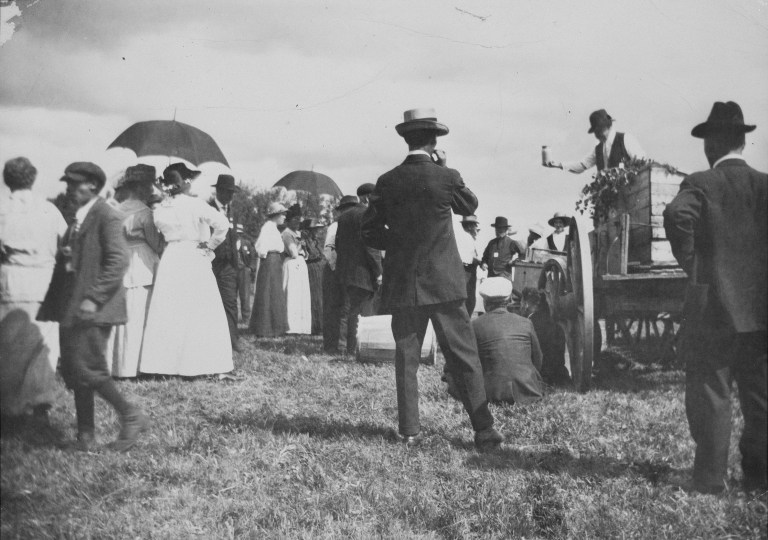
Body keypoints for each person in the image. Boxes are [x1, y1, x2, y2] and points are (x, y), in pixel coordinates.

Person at [361, 107, 502, 450]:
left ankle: (409, 431)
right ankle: (484, 430)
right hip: (445, 284)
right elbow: (470, 205)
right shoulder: (447, 177)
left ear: (406, 140)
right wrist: (444, 166)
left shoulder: (387, 181)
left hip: (404, 285)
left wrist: (398, 243)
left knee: (406, 360)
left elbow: (370, 232)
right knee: (464, 356)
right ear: (434, 141)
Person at [663, 101, 767, 494]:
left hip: (715, 312)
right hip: (762, 312)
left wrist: (696, 265)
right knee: (762, 397)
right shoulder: (765, 184)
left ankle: (710, 479)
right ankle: (760, 477)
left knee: (712, 394)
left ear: (711, 145)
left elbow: (677, 215)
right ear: (742, 141)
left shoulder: (701, 182)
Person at [39, 162, 147, 452]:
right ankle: (85, 436)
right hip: (74, 306)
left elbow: (118, 260)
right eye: (68, 184)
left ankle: (130, 414)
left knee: (88, 368)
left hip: (95, 307)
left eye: (75, 184)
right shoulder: (78, 218)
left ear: (93, 186)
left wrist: (94, 297)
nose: (69, 190)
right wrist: (69, 254)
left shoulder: (106, 215)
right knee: (76, 372)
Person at [139, 170, 234, 379]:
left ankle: (166, 365)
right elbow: (222, 224)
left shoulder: (160, 209)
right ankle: (199, 362)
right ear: (185, 183)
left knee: (171, 309)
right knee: (198, 309)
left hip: (172, 256)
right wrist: (210, 245)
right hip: (193, 254)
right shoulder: (194, 204)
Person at [0, 157, 66, 426]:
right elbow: (66, 242)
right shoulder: (48, 209)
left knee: (10, 346)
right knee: (43, 344)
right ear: (33, 178)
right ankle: (39, 402)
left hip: (12, 281)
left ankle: (10, 404)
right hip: (44, 281)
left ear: (6, 179)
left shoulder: (3, 208)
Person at [107, 164, 163, 378]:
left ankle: (117, 365)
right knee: (139, 316)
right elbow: (156, 244)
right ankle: (134, 366)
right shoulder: (145, 213)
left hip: (121, 261)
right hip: (142, 263)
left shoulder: (115, 210)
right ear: (141, 188)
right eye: (149, 186)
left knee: (123, 317)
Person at [456, 278, 544, 404]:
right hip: (528, 393)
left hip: (491, 394)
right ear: (509, 300)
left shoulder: (475, 325)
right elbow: (538, 360)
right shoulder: (526, 323)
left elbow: (467, 363)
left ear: (485, 302)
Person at [336, 190, 382, 354]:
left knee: (350, 311)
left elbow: (338, 244)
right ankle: (359, 348)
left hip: (346, 271)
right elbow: (371, 247)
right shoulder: (368, 214)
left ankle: (347, 347)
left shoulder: (344, 217)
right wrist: (378, 271)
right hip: (364, 272)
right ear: (368, 198)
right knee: (364, 312)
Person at [545, 109, 647, 173]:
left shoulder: (625, 139)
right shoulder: (598, 149)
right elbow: (582, 165)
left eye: (597, 130)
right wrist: (558, 165)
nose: (596, 135)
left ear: (605, 127)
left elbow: (642, 162)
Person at [209, 174, 242, 352]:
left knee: (230, 302)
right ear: (219, 191)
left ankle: (232, 341)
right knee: (209, 302)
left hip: (229, 265)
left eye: (232, 192)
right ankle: (211, 339)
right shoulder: (208, 209)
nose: (230, 196)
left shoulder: (232, 212)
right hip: (211, 264)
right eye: (228, 192)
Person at [321, 195, 357, 353]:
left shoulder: (352, 226)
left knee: (346, 309)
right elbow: (329, 250)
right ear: (342, 211)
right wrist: (336, 268)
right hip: (334, 271)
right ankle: (332, 345)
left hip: (346, 271)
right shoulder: (335, 227)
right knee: (333, 308)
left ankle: (342, 344)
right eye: (347, 209)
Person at [249, 202, 289, 337]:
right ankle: (266, 328)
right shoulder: (268, 228)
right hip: (270, 261)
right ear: (276, 215)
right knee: (268, 291)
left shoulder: (274, 228)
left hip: (275, 260)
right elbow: (261, 247)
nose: (284, 217)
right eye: (282, 214)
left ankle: (275, 326)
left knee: (275, 292)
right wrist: (267, 257)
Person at [521, 287, 569, 386]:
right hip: (558, 378)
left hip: (538, 377)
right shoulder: (558, 328)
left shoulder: (527, 326)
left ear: (526, 304)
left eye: (521, 302)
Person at [282, 204, 311, 334]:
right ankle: (290, 326)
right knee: (292, 294)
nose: (297, 222)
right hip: (292, 263)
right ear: (288, 221)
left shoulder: (299, 234)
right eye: (294, 219)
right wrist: (299, 245)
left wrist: (304, 245)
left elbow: (306, 255)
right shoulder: (286, 234)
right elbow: (293, 253)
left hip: (301, 263)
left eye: (299, 219)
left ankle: (301, 326)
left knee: (301, 294)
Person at [301, 218, 325, 335]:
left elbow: (321, 254)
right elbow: (311, 255)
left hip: (319, 268)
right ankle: (316, 326)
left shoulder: (316, 241)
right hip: (311, 268)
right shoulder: (304, 241)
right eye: (314, 229)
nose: (316, 231)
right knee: (315, 297)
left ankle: (321, 324)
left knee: (320, 296)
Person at [481, 216, 523, 281]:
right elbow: (485, 257)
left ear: (506, 229)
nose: (499, 231)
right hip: (491, 276)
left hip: (504, 276)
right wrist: (483, 263)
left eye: (501, 229)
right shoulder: (491, 243)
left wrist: (514, 261)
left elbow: (523, 254)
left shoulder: (511, 242)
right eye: (497, 229)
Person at [454, 214, 481, 316]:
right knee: (468, 300)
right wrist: (480, 262)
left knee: (468, 299)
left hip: (468, 271)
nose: (475, 228)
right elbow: (468, 258)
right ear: (469, 226)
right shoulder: (466, 238)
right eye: (474, 225)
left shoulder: (467, 237)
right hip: (466, 271)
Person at [236, 223, 257, 324]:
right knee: (231, 296)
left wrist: (250, 268)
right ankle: (232, 318)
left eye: (239, 233)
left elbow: (253, 256)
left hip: (244, 271)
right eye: (236, 233)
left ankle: (246, 319)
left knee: (245, 296)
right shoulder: (228, 243)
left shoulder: (247, 243)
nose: (238, 235)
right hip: (232, 271)